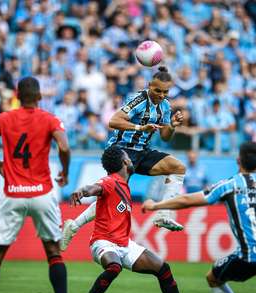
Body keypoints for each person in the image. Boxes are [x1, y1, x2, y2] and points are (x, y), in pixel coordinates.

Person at [60, 66, 185, 250]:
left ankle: (163, 213)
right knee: (112, 197)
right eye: (157, 90)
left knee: (178, 167)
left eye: (165, 91)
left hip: (142, 151)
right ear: (150, 85)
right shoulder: (138, 99)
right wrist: (140, 128)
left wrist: (172, 126)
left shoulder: (165, 105)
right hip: (121, 151)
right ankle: (74, 226)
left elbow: (165, 136)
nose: (160, 94)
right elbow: (113, 121)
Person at [0, 77, 70, 293]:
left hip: (13, 193)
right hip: (42, 193)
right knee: (54, 252)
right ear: (40, 97)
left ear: (16, 96)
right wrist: (65, 171)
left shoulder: (3, 119)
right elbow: (64, 146)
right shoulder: (49, 119)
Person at [142, 141, 256, 293]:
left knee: (213, 279)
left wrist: (155, 205)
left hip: (248, 254)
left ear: (238, 160)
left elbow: (186, 200)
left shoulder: (229, 185)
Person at [70, 145, 181, 293]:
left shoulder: (123, 185)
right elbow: (95, 187)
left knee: (163, 268)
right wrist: (83, 191)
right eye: (128, 157)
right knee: (114, 267)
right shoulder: (110, 181)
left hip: (124, 244)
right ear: (124, 161)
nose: (131, 160)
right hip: (103, 242)